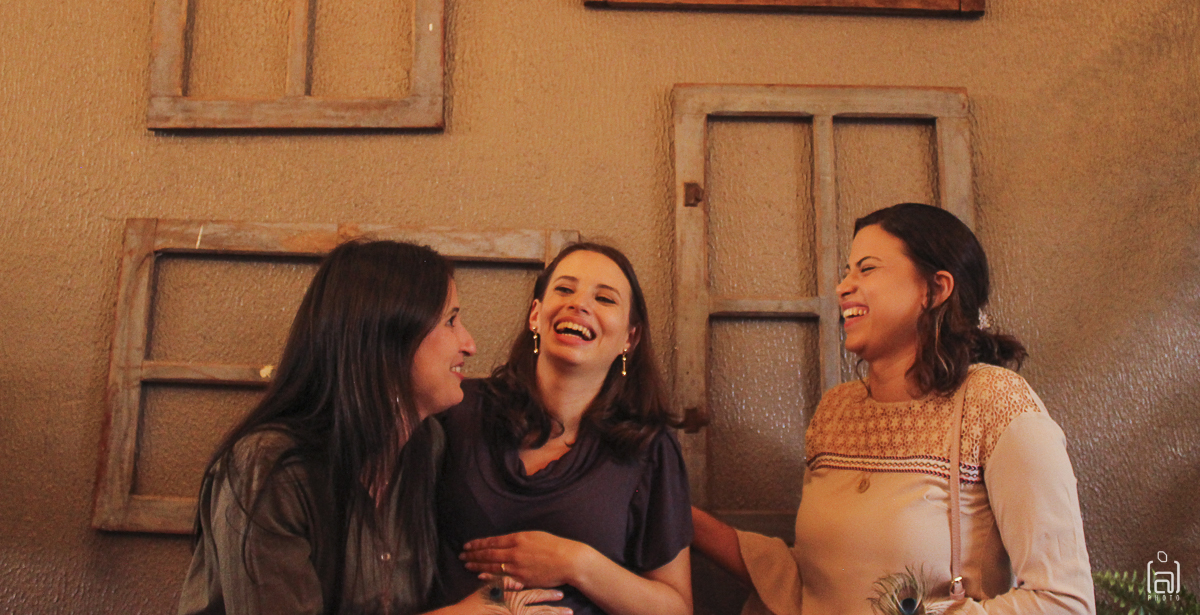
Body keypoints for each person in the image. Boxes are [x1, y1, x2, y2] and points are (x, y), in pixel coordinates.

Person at [691, 203, 1095, 615]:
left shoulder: (996, 404)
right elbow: (815, 584)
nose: (842, 288)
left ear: (935, 289)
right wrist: (682, 520)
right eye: (846, 272)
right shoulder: (837, 411)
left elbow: (1062, 602)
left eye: (866, 269)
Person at [177, 240, 571, 615]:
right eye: (451, 321)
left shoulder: (427, 444)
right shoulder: (269, 470)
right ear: (387, 338)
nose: (469, 344)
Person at [436, 243, 694, 615]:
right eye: (564, 289)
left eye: (604, 298)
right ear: (535, 315)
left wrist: (576, 563)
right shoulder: (458, 409)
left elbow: (677, 609)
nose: (579, 304)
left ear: (630, 338)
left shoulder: (649, 448)